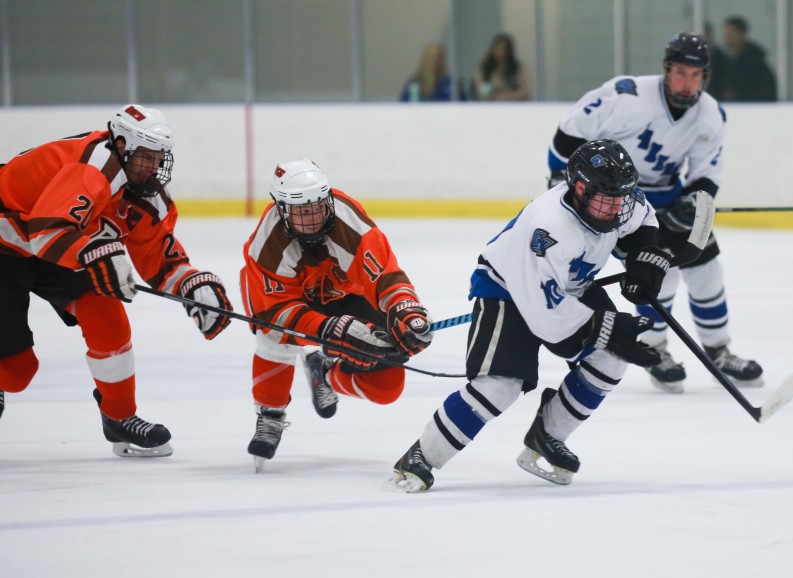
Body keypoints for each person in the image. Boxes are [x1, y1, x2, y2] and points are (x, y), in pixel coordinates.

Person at [390, 140, 672, 492]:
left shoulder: (618, 200)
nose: (616, 208)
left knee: (612, 358)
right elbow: (547, 318)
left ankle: (548, 435)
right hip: (507, 289)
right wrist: (606, 326)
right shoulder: (550, 228)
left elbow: (643, 221)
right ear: (580, 189)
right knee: (500, 386)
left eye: (622, 198)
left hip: (570, 286)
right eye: (607, 199)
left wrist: (644, 256)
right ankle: (422, 456)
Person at [0, 104, 234, 457]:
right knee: (17, 373)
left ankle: (119, 417)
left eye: (160, 158)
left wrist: (193, 286)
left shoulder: (146, 197)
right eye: (147, 157)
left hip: (54, 246)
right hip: (8, 245)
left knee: (107, 316)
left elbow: (161, 262)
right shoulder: (94, 168)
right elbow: (45, 232)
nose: (154, 167)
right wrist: (97, 253)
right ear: (122, 146)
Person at [547, 33, 764, 394]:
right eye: (681, 72)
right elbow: (567, 137)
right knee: (656, 274)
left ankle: (719, 352)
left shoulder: (710, 113)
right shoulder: (625, 96)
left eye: (696, 75)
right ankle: (658, 349)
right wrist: (560, 184)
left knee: (707, 270)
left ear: (705, 77)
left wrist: (694, 204)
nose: (687, 83)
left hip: (668, 194)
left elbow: (707, 173)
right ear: (666, 70)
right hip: (619, 202)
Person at [240, 158, 433, 472]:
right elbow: (277, 313)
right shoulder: (267, 246)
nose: (314, 217)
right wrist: (330, 329)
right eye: (303, 212)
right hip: (283, 305)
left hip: (345, 294)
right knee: (274, 339)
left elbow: (386, 277)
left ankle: (324, 372)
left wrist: (406, 310)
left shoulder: (352, 227)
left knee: (388, 384)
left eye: (318, 207)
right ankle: (270, 415)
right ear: (282, 209)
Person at [713, 16, 777, 102]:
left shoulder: (756, 64)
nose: (727, 37)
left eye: (731, 34)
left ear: (742, 34)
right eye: (726, 34)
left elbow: (765, 92)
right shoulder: (723, 62)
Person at [474, 33, 531, 101]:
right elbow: (483, 93)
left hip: (514, 106)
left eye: (504, 49)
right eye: (498, 48)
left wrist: (510, 95)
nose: (501, 52)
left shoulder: (518, 69)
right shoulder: (486, 71)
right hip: (492, 107)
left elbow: (525, 92)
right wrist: (495, 92)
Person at [399, 42, 463, 102]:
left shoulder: (450, 84)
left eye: (441, 58)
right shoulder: (414, 86)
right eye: (436, 59)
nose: (439, 62)